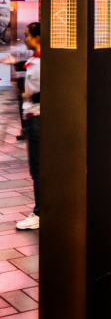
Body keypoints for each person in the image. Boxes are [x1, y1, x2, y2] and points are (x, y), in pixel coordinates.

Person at [16, 22, 41, 231]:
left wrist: (30, 95)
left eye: (27, 35)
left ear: (38, 38)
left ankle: (40, 212)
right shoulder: (34, 60)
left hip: (38, 119)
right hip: (32, 117)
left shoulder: (43, 63)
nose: (25, 39)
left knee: (37, 169)